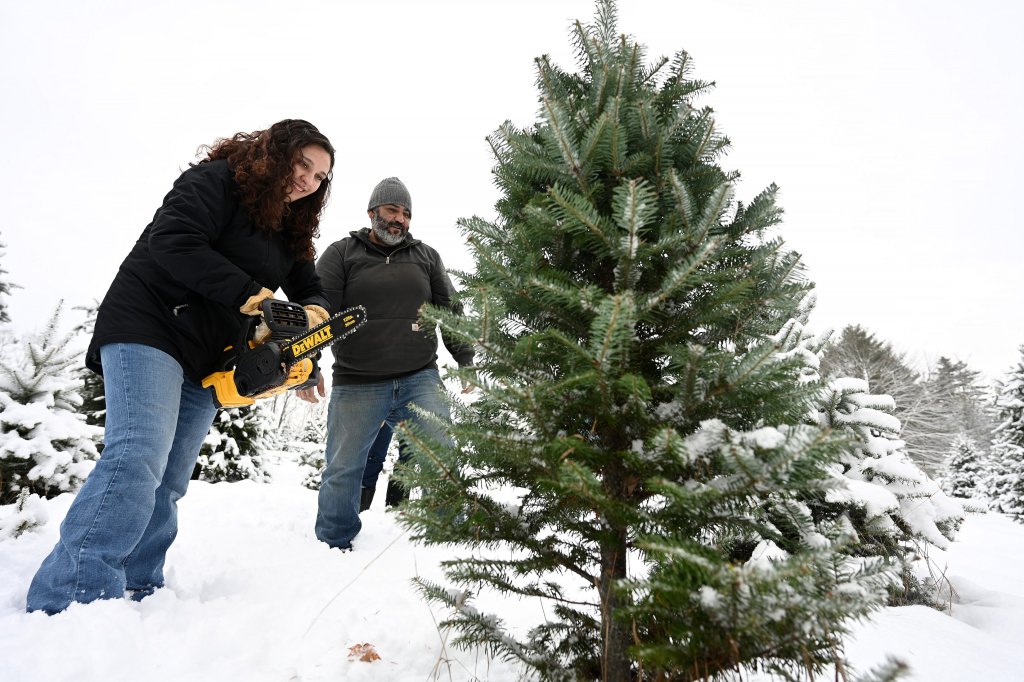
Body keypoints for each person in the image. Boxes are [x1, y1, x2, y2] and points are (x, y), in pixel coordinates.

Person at [26, 119, 336, 615]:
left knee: (169, 477)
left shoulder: (288, 232)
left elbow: (309, 285)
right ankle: (73, 596)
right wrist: (251, 297)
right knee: (138, 454)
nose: (308, 180)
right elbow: (174, 242)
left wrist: (314, 318)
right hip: (149, 324)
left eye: (320, 176)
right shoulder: (215, 182)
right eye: (303, 164)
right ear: (272, 153)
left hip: (206, 357)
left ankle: (135, 585)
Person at [299, 177, 473, 551]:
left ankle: (450, 539)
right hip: (357, 381)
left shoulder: (426, 257)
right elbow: (319, 312)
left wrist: (466, 358)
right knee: (343, 468)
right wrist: (307, 364)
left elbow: (451, 310)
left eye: (406, 213)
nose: (399, 219)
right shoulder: (342, 253)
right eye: (393, 210)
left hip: (419, 377)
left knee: (441, 454)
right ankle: (333, 543)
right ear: (373, 212)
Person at [359, 423, 410, 511]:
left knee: (407, 460)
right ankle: (360, 508)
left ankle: (397, 511)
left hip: (414, 412)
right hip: (385, 412)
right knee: (374, 455)